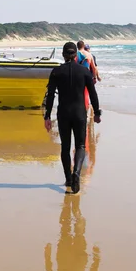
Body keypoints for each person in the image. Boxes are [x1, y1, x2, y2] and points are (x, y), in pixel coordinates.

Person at [43, 42, 102, 193]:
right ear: (76, 55)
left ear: (63, 55)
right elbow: (93, 94)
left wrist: (47, 116)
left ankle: (69, 179)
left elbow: (50, 96)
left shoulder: (56, 72)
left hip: (63, 113)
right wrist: (97, 113)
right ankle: (76, 172)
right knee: (81, 146)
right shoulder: (84, 71)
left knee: (65, 146)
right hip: (79, 113)